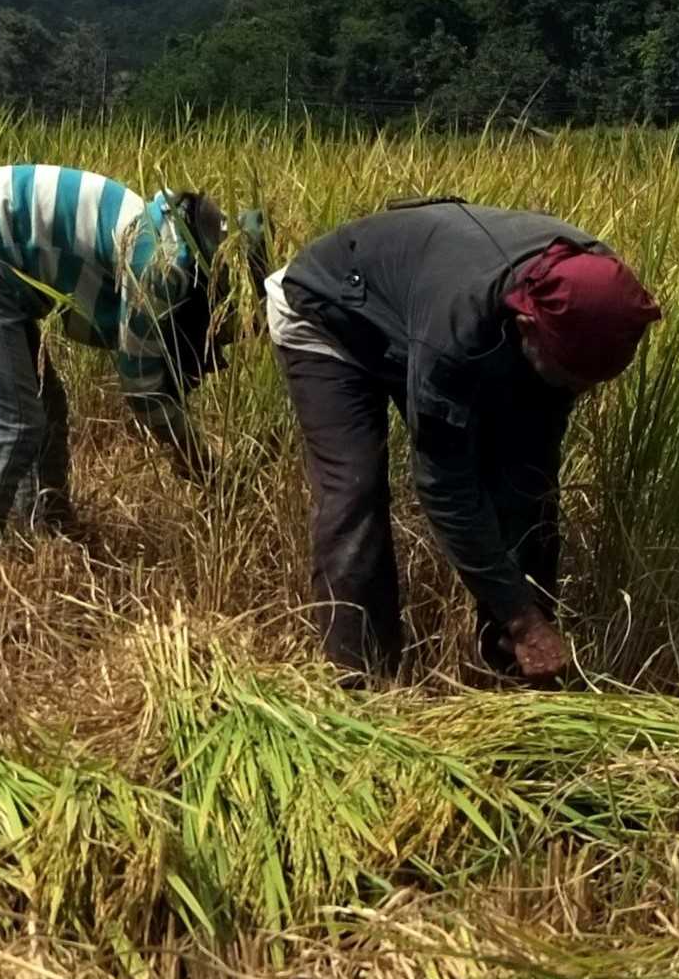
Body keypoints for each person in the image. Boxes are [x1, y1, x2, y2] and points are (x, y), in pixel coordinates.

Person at [268, 200, 657, 685]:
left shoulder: (595, 292)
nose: (574, 393)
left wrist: (526, 602)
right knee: (356, 491)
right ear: (526, 328)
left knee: (529, 488)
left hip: (418, 306)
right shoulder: (456, 334)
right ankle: (360, 686)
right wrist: (521, 617)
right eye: (566, 377)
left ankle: (513, 686)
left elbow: (531, 463)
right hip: (331, 314)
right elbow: (444, 486)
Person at [0, 162, 236, 550]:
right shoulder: (160, 267)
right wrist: (202, 466)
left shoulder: (162, 231)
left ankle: (46, 528)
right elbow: (144, 391)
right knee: (10, 427)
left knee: (46, 407)